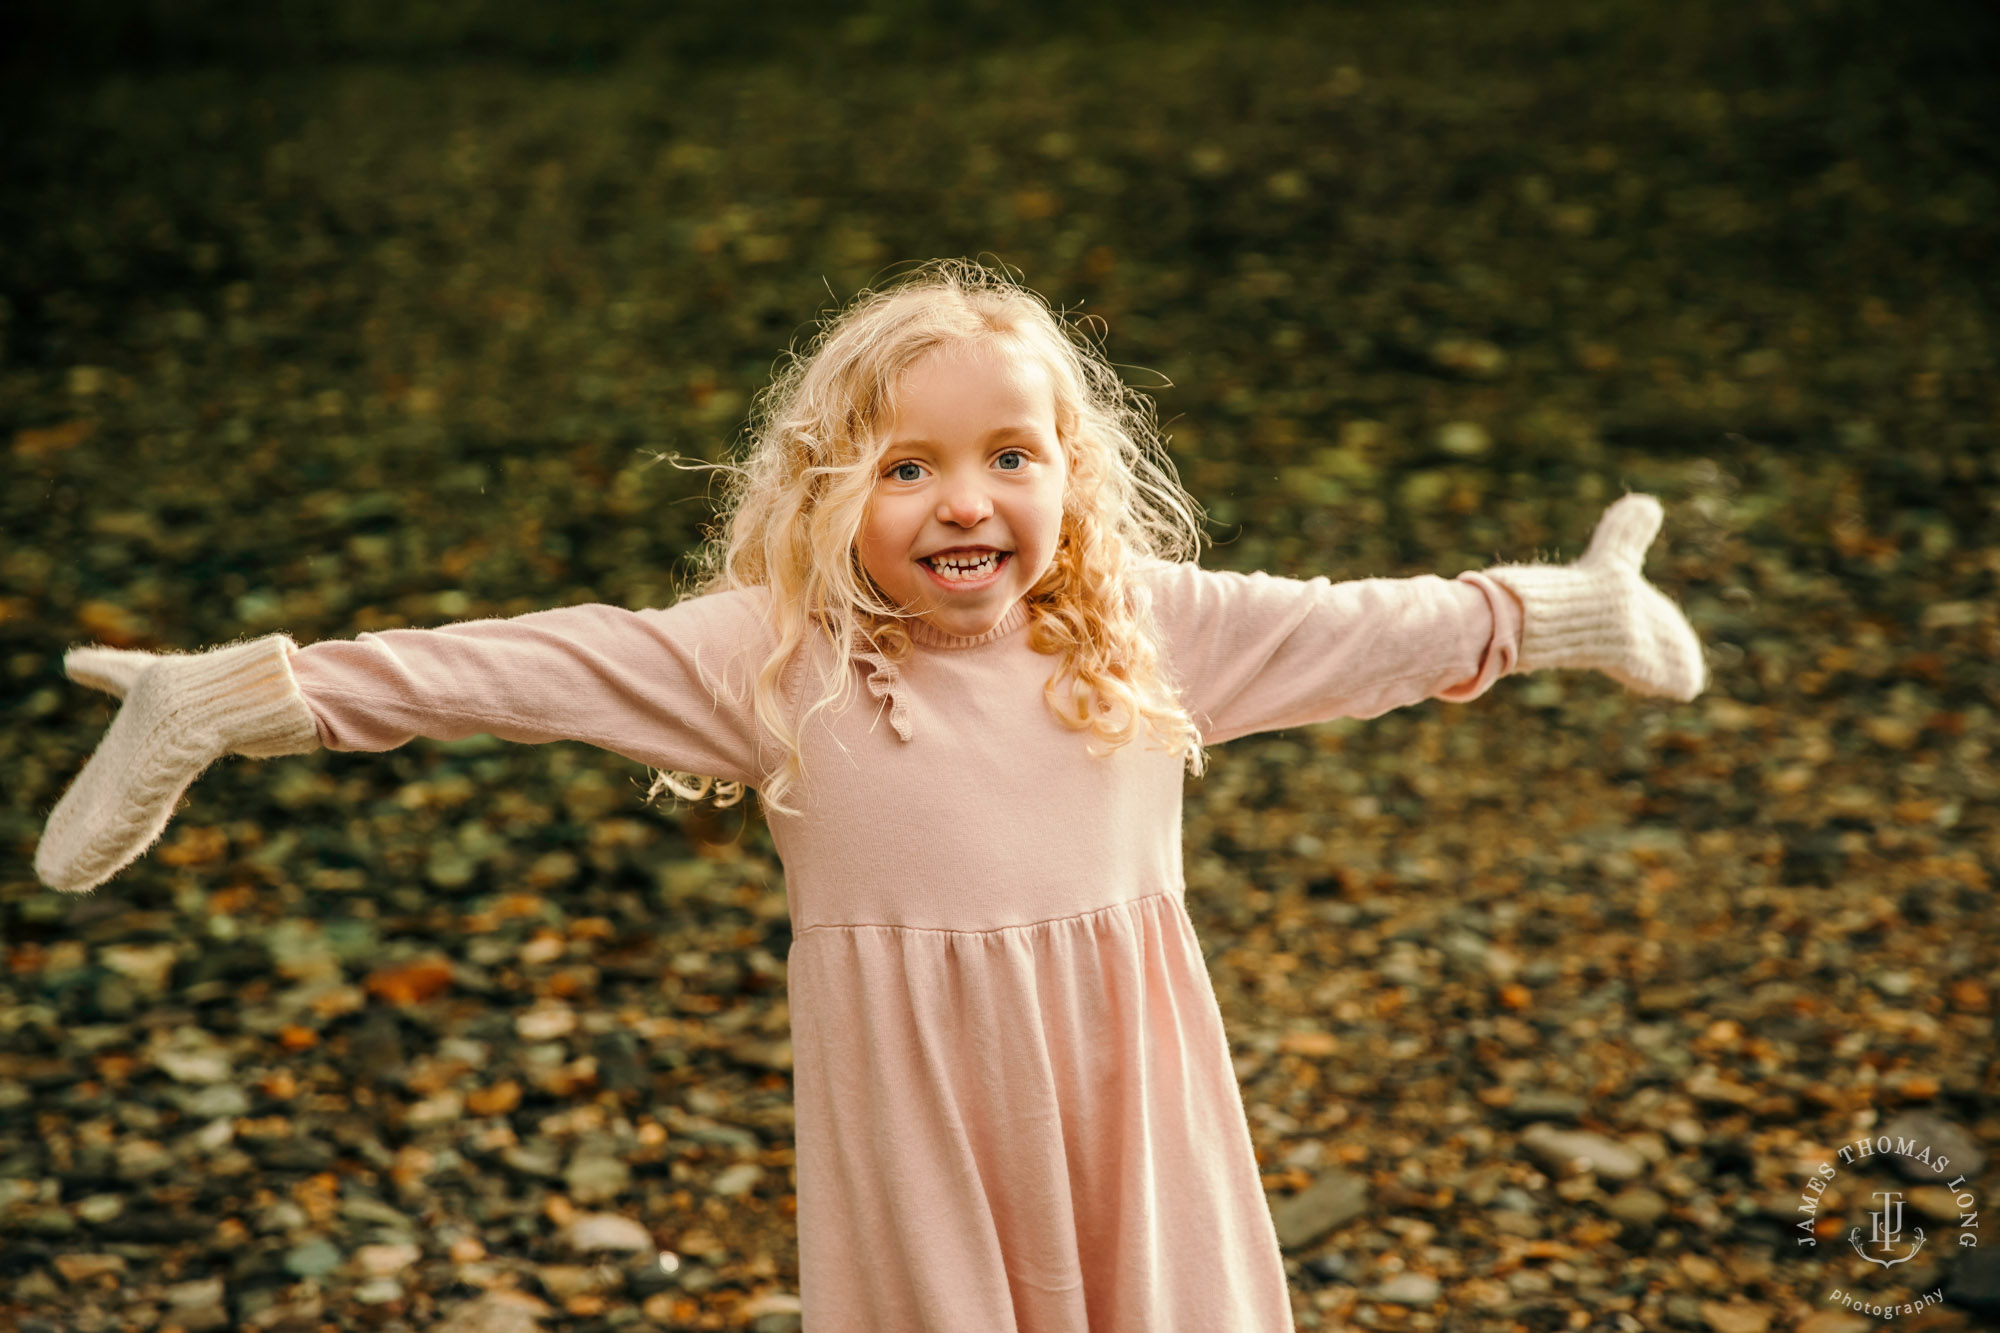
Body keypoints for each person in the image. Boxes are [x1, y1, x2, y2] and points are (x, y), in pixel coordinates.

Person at [35, 258, 1707, 1332]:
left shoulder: (1148, 631)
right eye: (905, 466)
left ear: (1072, 472)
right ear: (828, 491)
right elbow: (524, 665)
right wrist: (248, 694)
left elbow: (1372, 629)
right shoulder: (770, 658)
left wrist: (1564, 611)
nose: (962, 500)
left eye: (1007, 456)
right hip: (925, 1125)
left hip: (1130, 1095)